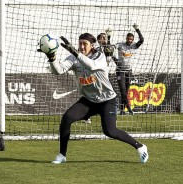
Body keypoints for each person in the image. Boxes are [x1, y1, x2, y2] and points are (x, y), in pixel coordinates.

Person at [39, 33, 148, 164]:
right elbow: (58, 70)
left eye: (85, 44)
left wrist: (75, 52)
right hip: (88, 101)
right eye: (80, 43)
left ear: (92, 45)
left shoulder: (100, 57)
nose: (81, 46)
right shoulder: (74, 57)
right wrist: (51, 57)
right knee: (67, 118)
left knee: (110, 131)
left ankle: (140, 146)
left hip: (107, 100)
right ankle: (62, 155)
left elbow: (91, 65)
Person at [115, 24, 144, 115]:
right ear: (126, 38)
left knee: (126, 91)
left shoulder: (134, 46)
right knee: (122, 90)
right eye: (128, 39)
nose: (129, 40)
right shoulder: (120, 45)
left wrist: (137, 29)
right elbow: (110, 47)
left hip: (129, 71)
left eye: (131, 39)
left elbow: (142, 40)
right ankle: (129, 108)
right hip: (120, 71)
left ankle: (122, 110)